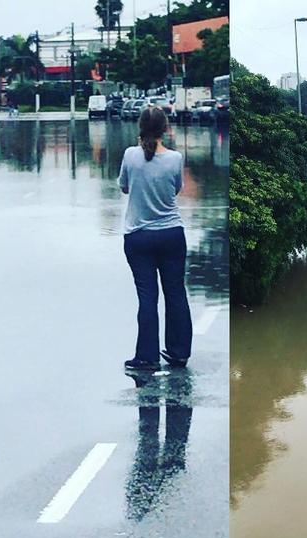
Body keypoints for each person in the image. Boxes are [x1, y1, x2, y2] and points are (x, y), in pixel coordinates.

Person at [118, 106, 192, 371]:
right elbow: (177, 189)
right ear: (165, 129)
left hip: (139, 237)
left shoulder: (130, 155)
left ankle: (147, 357)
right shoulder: (175, 158)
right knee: (175, 293)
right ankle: (179, 352)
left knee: (147, 298)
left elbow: (124, 187)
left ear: (140, 128)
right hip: (172, 235)